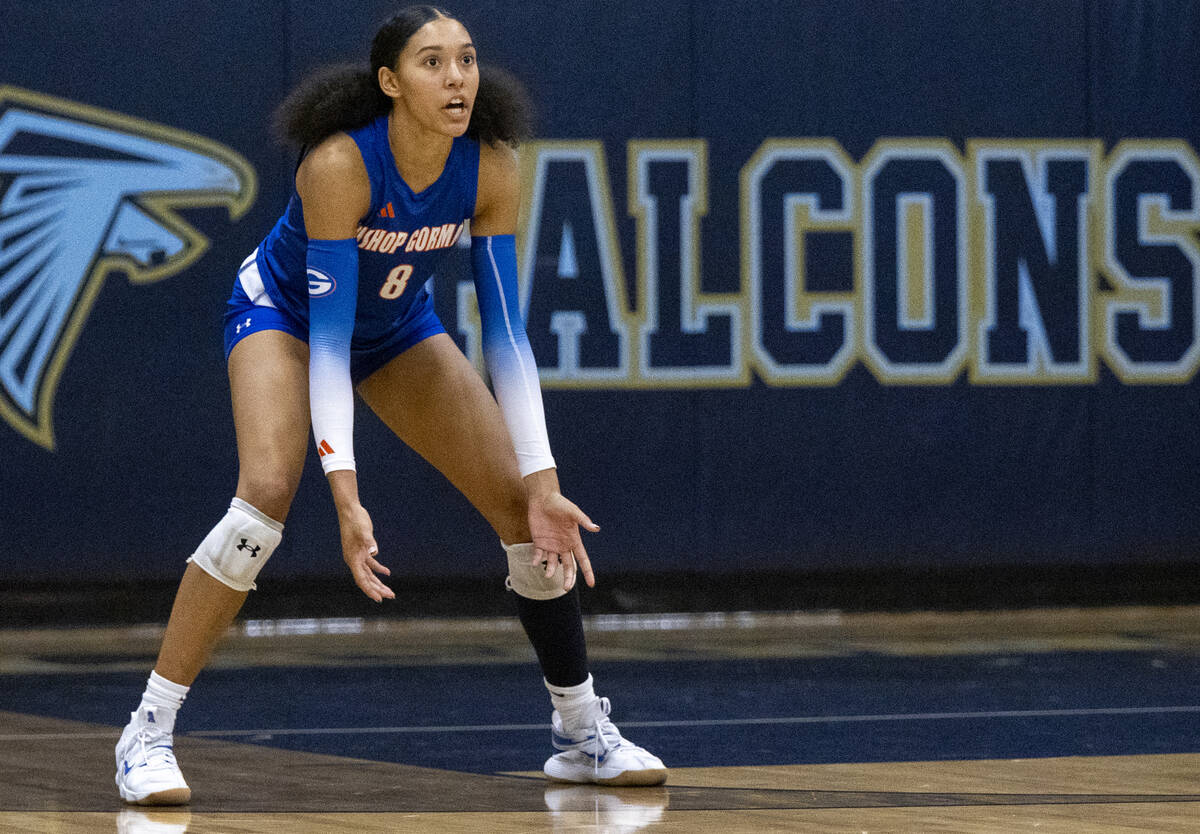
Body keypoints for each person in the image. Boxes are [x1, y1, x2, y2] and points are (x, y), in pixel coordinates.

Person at [114, 5, 667, 805]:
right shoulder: (339, 165)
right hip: (288, 319)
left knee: (522, 507)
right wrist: (346, 494)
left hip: (399, 327)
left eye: (467, 61)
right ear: (389, 82)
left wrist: (544, 480)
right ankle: (149, 731)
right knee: (264, 495)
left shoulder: (491, 167)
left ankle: (580, 732)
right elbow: (328, 344)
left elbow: (509, 338)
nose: (457, 79)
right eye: (432, 63)